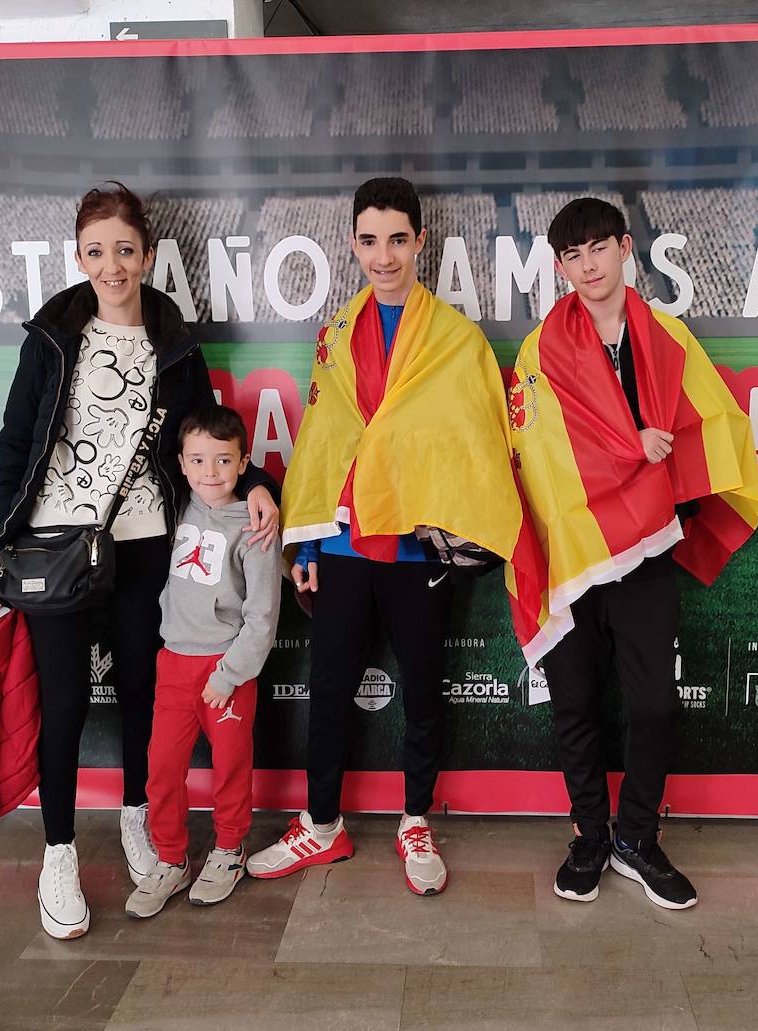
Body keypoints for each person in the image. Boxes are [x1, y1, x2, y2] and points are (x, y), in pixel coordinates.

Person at [0, 182, 280, 940]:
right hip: (56, 546)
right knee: (68, 707)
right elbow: (15, 447)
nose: (111, 265)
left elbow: (212, 444)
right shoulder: (49, 336)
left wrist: (263, 483)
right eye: (96, 251)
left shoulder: (174, 342)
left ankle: (139, 821)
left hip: (150, 547)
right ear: (78, 256)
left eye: (125, 249)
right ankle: (58, 853)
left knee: (146, 696)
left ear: (146, 254)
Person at [246, 177, 526, 896]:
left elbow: (475, 445)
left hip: (416, 550)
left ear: (420, 242)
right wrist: (305, 545)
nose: (383, 255)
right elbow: (323, 442)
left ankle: (414, 819)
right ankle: (322, 823)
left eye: (397, 239)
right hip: (342, 548)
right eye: (369, 240)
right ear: (352, 243)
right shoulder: (336, 331)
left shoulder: (457, 340)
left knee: (424, 689)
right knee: (330, 686)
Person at [506, 197, 758, 909]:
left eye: (598, 248)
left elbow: (710, 420)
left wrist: (660, 464)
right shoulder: (540, 348)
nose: (588, 266)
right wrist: (628, 448)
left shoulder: (669, 337)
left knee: (652, 704)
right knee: (577, 702)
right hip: (574, 554)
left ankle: (637, 837)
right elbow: (539, 451)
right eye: (572, 255)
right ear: (559, 267)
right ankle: (591, 834)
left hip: (647, 549)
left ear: (625, 248)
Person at [125, 405, 282, 918]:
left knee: (229, 769)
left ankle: (228, 851)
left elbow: (262, 616)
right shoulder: (173, 506)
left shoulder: (256, 526)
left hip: (225, 673)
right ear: (182, 464)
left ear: (243, 464)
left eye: (222, 460)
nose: (209, 472)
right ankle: (170, 859)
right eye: (197, 460)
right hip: (172, 663)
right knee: (161, 770)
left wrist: (228, 674)